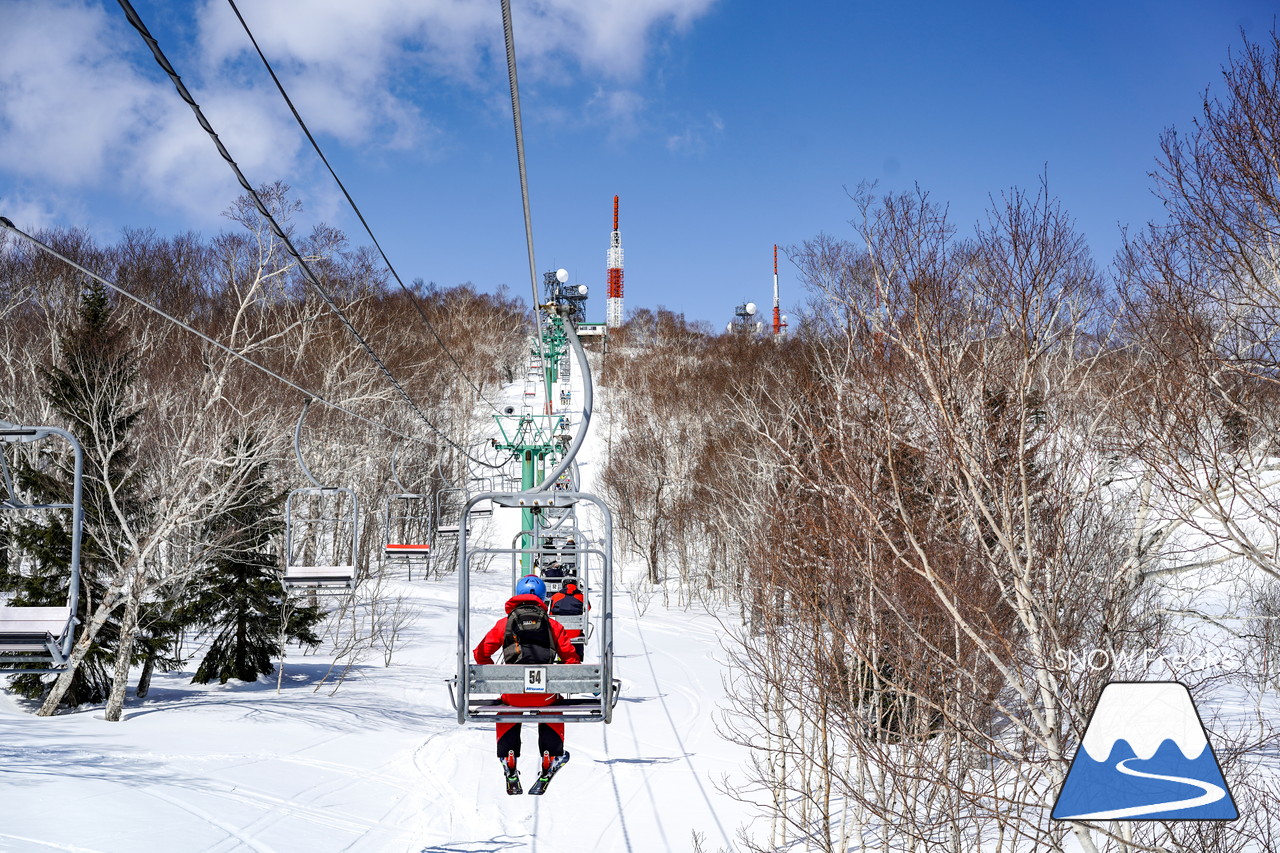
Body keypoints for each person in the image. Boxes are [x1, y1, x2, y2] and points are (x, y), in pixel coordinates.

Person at [473, 574, 580, 787]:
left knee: (508, 708)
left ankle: (508, 757)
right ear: (543, 598)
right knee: (552, 707)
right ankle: (551, 756)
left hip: (513, 694)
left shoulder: (504, 624)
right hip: (545, 695)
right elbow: (572, 659)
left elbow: (480, 654)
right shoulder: (553, 626)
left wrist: (499, 676)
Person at [548, 578, 587, 657]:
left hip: (559, 633)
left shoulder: (556, 596)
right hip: (576, 632)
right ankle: (578, 657)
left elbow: (551, 613)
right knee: (578, 633)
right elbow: (588, 608)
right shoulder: (581, 596)